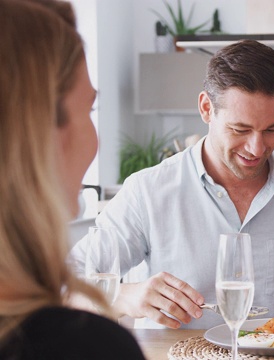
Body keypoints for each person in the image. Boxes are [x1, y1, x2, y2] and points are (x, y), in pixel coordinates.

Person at [70, 39, 274, 330]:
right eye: (240, 129)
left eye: (272, 128)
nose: (256, 148)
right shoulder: (147, 192)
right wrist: (124, 295)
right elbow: (62, 284)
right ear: (206, 108)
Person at [0, 0, 145, 358]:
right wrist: (128, 295)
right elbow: (84, 265)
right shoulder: (86, 346)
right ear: (36, 133)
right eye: (89, 108)